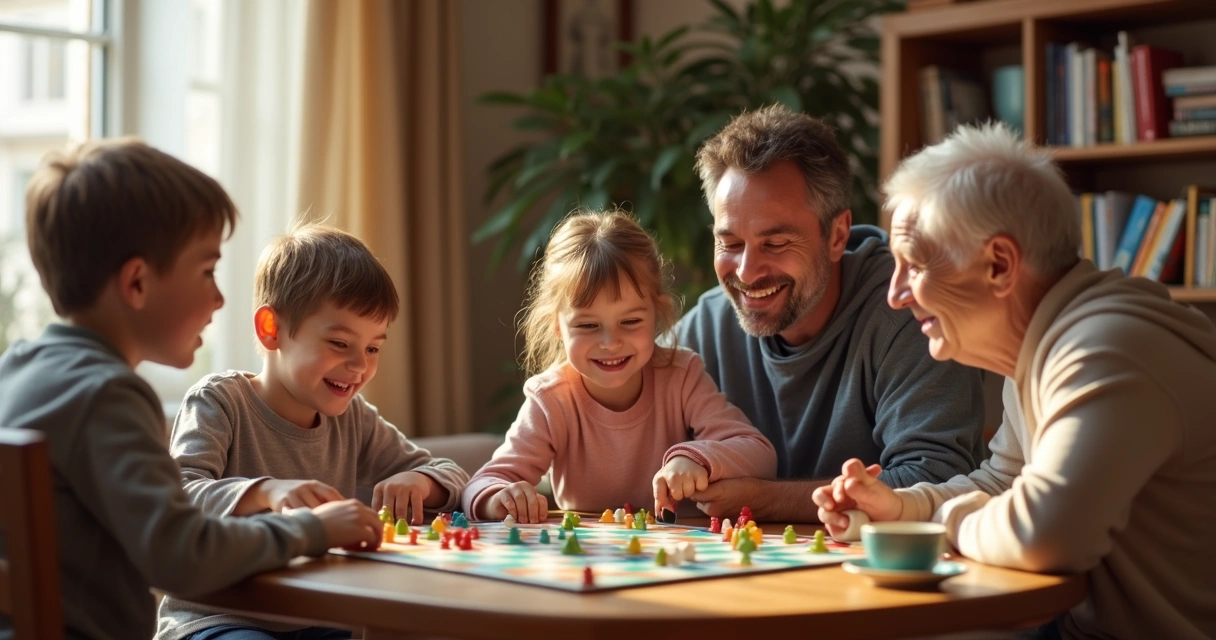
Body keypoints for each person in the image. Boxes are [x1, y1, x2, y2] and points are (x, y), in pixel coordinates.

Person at [814, 123, 1216, 639]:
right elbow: (1005, 484)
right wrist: (898, 511)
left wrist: (949, 523)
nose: (896, 294)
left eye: (913, 265)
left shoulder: (1103, 351)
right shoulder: (1045, 344)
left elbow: (1042, 534)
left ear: (1000, 265)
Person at [0, 139, 384, 640]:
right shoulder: (107, 394)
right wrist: (315, 530)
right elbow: (180, 555)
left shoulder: (16, 370)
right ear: (136, 283)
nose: (220, 298)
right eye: (207, 271)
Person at [156, 224, 470, 640]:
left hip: (317, 620)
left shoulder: (353, 418)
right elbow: (178, 497)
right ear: (271, 329)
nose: (360, 366)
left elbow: (450, 472)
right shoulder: (219, 402)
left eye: (373, 348)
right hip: (217, 619)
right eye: (340, 344)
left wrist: (420, 480)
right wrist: (266, 492)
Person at [677, 105, 987, 522]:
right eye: (730, 243)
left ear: (837, 234)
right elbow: (596, 399)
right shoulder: (708, 326)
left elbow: (937, 480)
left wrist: (763, 499)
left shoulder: (909, 313)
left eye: (776, 243)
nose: (746, 272)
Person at [462, 210, 777, 523]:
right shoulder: (551, 399)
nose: (610, 342)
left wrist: (696, 459)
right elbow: (483, 483)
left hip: (681, 554)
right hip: (592, 562)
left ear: (657, 313)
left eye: (630, 321)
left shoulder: (681, 375)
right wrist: (499, 498)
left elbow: (759, 453)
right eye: (587, 326)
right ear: (558, 326)